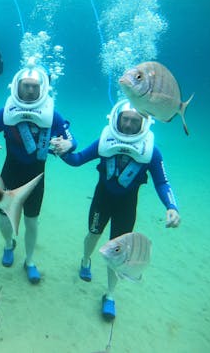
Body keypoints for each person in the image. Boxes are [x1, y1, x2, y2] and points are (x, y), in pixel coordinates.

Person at [51, 99, 181, 320]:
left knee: (119, 250)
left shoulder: (151, 151)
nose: (129, 125)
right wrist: (61, 150)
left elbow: (162, 182)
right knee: (93, 235)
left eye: (134, 121)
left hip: (127, 207)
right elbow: (78, 159)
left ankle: (110, 295)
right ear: (117, 120)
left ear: (144, 123)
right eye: (125, 120)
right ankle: (85, 261)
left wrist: (171, 206)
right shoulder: (105, 141)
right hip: (102, 199)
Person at [0, 58, 77, 284]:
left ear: (43, 88)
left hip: (36, 176)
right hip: (9, 173)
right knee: (3, 215)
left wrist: (67, 145)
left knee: (32, 220)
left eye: (35, 86)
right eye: (26, 86)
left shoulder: (53, 114)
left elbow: (73, 139)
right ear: (17, 86)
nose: (30, 90)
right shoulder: (5, 111)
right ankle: (8, 244)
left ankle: (30, 260)